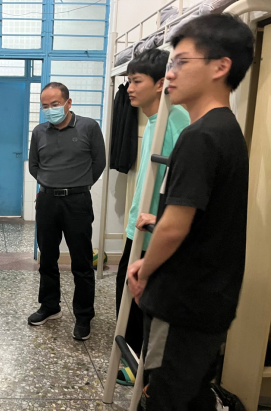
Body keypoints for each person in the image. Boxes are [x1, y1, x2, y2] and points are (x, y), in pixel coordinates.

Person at [126, 14, 254, 409]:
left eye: (182, 62)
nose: (171, 73)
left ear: (220, 66)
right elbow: (204, 215)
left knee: (164, 397)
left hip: (183, 301)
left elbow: (175, 229)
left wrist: (143, 270)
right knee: (192, 394)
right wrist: (159, 219)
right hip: (210, 298)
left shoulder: (199, 136)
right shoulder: (226, 129)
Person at [115, 49, 190, 386]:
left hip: (154, 230)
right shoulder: (154, 121)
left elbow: (180, 185)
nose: (129, 88)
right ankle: (132, 365)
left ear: (160, 84)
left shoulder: (176, 121)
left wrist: (157, 221)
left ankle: (141, 373)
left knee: (141, 301)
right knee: (127, 296)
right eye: (128, 81)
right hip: (141, 226)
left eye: (136, 81)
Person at [28, 82, 105, 340]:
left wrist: (78, 183)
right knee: (47, 258)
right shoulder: (39, 132)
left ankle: (83, 316)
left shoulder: (89, 127)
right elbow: (34, 166)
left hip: (77, 202)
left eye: (55, 104)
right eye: (45, 106)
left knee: (81, 262)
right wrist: (51, 182)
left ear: (68, 103)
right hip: (47, 201)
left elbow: (99, 162)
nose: (50, 109)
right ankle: (50, 306)